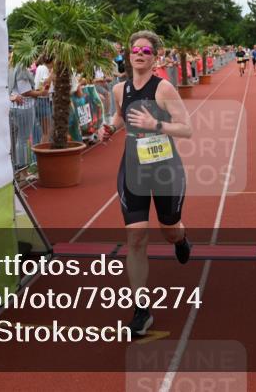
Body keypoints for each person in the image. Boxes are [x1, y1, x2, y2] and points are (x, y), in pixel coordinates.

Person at [97, 30, 193, 337]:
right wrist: (109, 128)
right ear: (129, 55)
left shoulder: (163, 88)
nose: (139, 54)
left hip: (165, 169)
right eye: (135, 50)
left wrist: (156, 124)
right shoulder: (119, 89)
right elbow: (119, 116)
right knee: (136, 238)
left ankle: (180, 240)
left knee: (169, 229)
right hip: (133, 167)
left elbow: (186, 128)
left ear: (155, 57)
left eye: (146, 51)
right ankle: (141, 309)